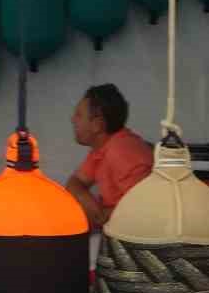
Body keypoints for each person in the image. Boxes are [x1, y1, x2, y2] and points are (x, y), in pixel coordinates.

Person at [66, 83, 154, 229]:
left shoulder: (122, 151)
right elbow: (76, 182)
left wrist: (102, 215)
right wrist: (96, 211)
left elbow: (144, 210)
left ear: (97, 125)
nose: (73, 119)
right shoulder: (101, 148)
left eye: (79, 115)